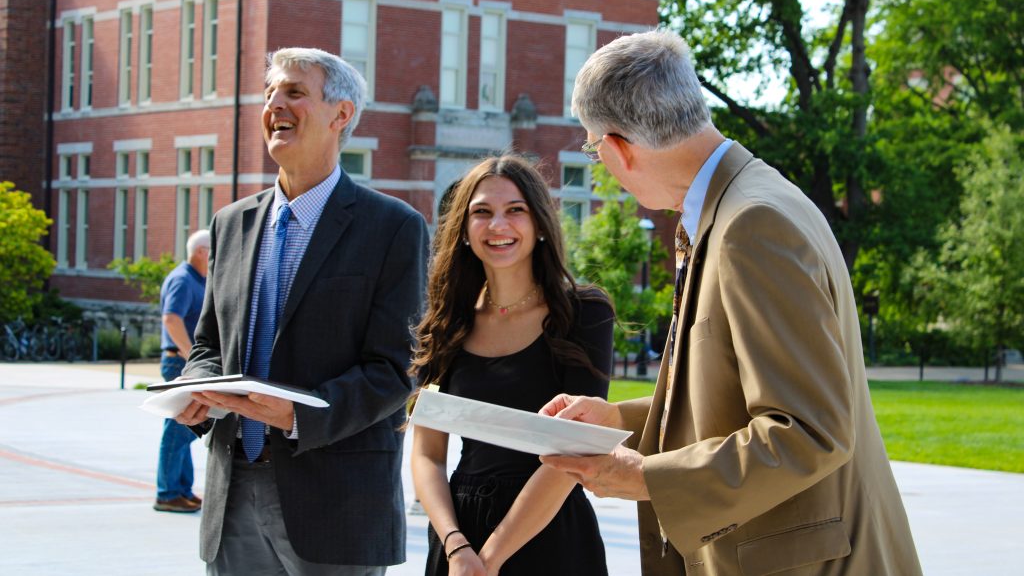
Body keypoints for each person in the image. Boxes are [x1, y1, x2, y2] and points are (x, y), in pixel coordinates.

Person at [539, 30, 923, 575]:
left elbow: (810, 430)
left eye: (592, 147)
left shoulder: (751, 225)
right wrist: (618, 420)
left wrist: (644, 476)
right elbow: (734, 394)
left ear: (618, 146)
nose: (601, 163)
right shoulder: (744, 202)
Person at [175, 47, 429, 574]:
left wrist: (300, 414)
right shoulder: (230, 223)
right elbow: (209, 345)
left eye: (294, 92)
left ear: (341, 115)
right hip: (233, 490)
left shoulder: (393, 227)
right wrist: (195, 387)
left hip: (337, 501)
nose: (275, 104)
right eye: (270, 93)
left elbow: (398, 366)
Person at [409, 155, 614, 576]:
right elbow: (427, 455)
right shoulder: (447, 322)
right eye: (481, 212)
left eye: (515, 211)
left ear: (539, 224)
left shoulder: (585, 313)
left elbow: (574, 451)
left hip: (550, 531)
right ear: (464, 232)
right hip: (459, 540)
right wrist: (455, 544)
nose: (497, 225)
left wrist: (490, 559)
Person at [153, 228, 210, 513]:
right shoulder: (183, 280)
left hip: (184, 361)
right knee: (177, 428)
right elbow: (171, 319)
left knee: (186, 426)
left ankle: (181, 488)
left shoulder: (195, 279)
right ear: (201, 251)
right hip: (179, 362)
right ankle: (167, 493)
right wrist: (191, 356)